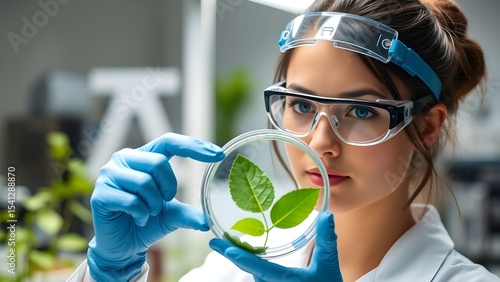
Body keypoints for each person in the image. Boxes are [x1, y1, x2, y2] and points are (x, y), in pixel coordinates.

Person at [68, 0, 500, 281]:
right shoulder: (234, 269)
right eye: (302, 106)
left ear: (426, 127)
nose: (321, 142)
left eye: (363, 111)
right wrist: (111, 271)